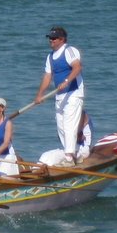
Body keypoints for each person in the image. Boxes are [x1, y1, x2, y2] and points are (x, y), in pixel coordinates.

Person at [34, 26, 84, 164]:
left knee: (69, 124)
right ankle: (71, 152)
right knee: (60, 125)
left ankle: (69, 156)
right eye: (50, 38)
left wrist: (67, 81)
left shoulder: (69, 50)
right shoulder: (50, 57)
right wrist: (40, 95)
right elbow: (48, 76)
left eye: (54, 38)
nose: (51, 40)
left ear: (62, 39)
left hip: (73, 93)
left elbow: (77, 67)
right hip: (60, 95)